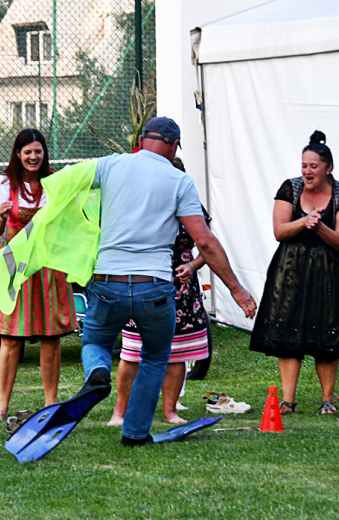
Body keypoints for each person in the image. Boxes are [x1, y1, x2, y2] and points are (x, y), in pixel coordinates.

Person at [79, 117, 257, 446]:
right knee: (157, 357)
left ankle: (97, 373)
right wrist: (237, 289)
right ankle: (134, 433)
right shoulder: (179, 181)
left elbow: (64, 189)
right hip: (155, 287)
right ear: (174, 146)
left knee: (95, 343)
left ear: (141, 139)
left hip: (108, 281)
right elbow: (204, 242)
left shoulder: (109, 165)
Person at [108, 157, 243, 427]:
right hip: (144, 283)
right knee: (132, 352)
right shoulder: (140, 202)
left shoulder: (191, 204)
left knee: (177, 352)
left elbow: (207, 246)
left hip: (182, 291)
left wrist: (192, 266)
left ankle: (170, 411)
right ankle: (119, 412)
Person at [249, 130, 339, 415]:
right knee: (287, 332)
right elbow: (279, 231)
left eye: (313, 166)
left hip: (329, 271)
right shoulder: (290, 188)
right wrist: (305, 221)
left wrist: (319, 225)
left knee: (327, 335)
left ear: (328, 167)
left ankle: (328, 399)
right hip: (290, 268)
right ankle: (287, 400)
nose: (307, 172)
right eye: (304, 165)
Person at [0, 128, 77, 422]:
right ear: (18, 154)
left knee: (51, 338)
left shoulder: (55, 181)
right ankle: (2, 407)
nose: (33, 156)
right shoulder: (4, 182)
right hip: (15, 267)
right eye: (27, 152)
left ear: (44, 153)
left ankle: (51, 403)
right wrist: (0, 216)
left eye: (38, 151)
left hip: (48, 266)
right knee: (11, 339)